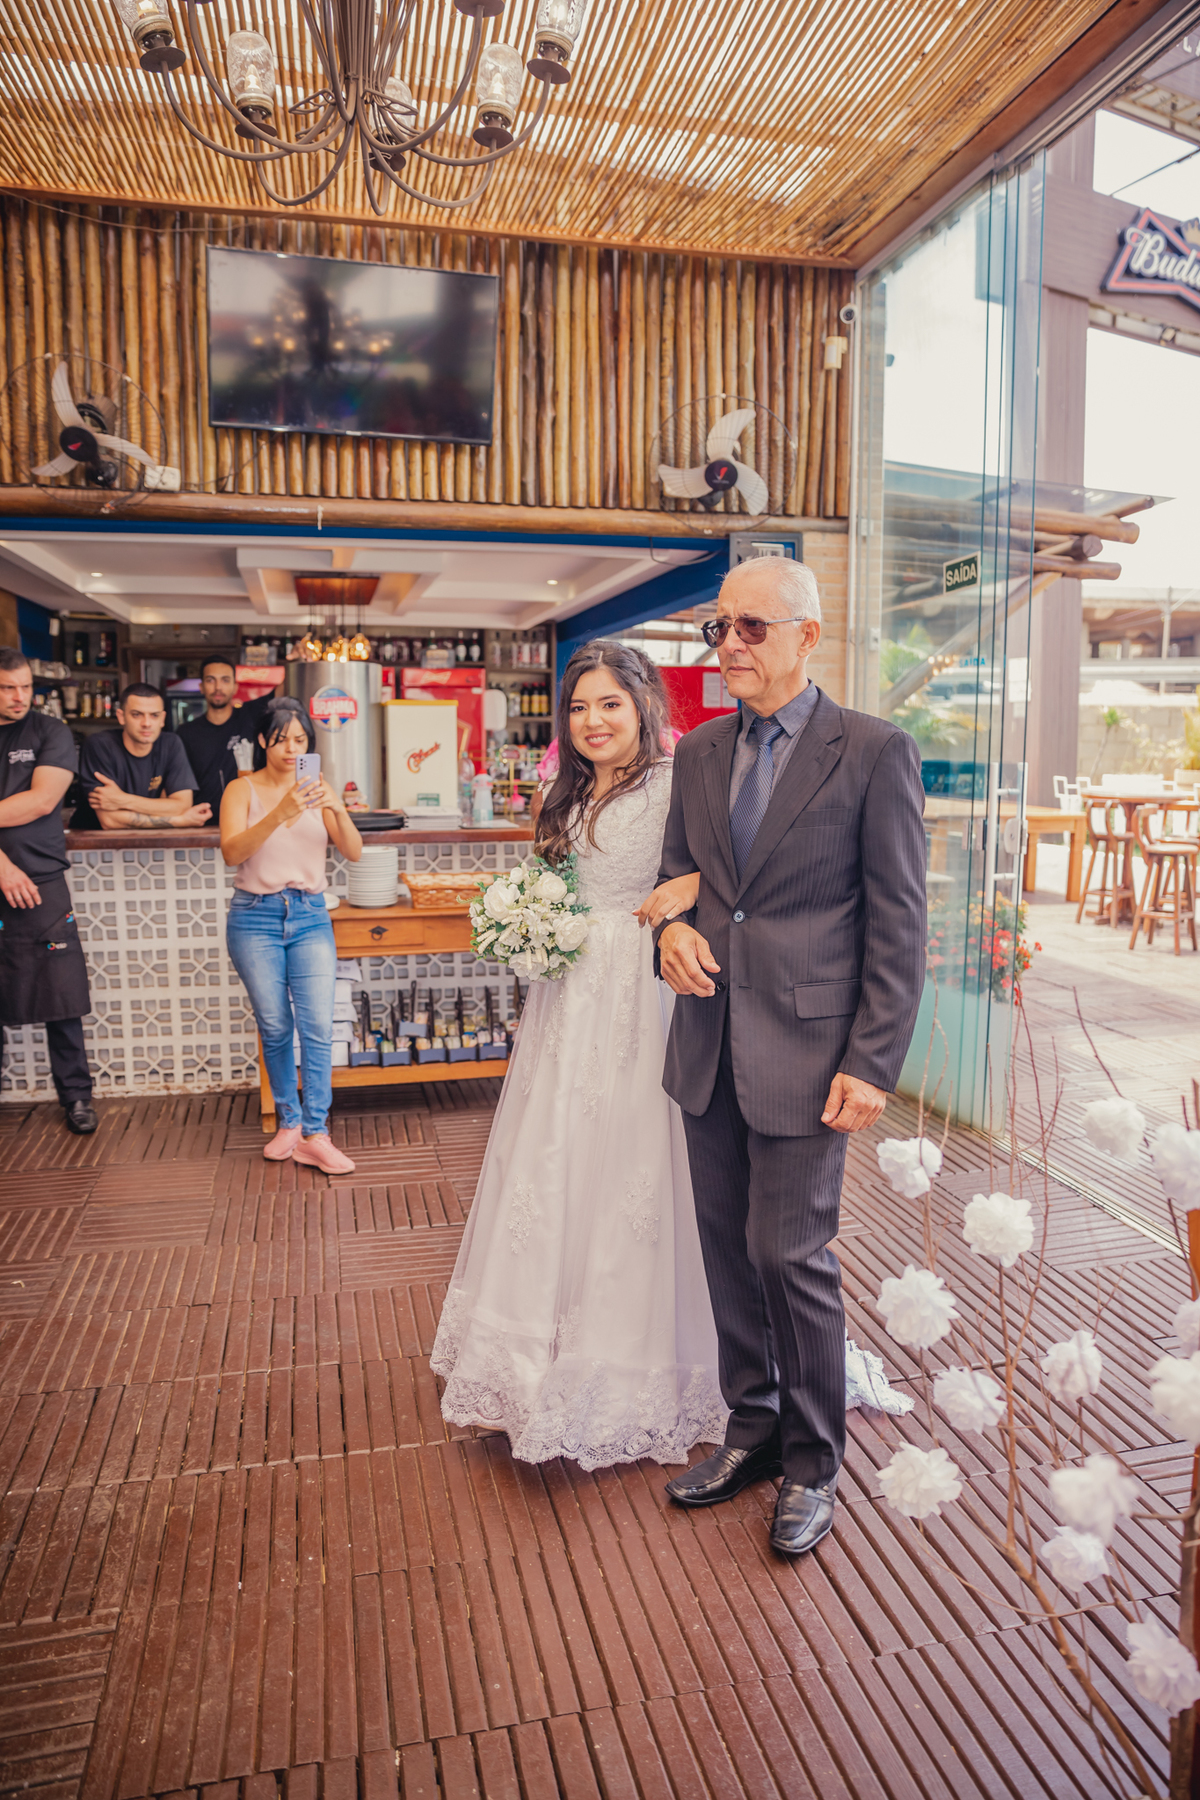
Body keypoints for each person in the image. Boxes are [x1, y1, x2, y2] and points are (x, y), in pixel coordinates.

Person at [655, 556, 927, 1556]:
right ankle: (755, 1428)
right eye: (719, 628)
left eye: (751, 628)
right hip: (708, 1044)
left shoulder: (874, 752)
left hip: (815, 1055)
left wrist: (874, 1061)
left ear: (808, 636)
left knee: (790, 1254)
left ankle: (814, 1461)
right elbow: (678, 879)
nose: (728, 646)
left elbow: (899, 925)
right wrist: (668, 936)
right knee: (728, 1250)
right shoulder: (698, 752)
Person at [431, 641, 727, 1468]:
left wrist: (683, 899)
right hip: (570, 998)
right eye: (580, 708)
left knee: (635, 1155)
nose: (593, 722)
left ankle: (630, 1356)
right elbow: (553, 883)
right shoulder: (562, 792)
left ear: (644, 706)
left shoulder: (675, 783)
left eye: (610, 705)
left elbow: (725, 871)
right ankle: (533, 1352)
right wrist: (529, 928)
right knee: (555, 1154)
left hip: (643, 988)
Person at [219, 696, 364, 1176]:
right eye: (281, 740)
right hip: (254, 917)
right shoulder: (241, 789)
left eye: (300, 740)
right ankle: (289, 1122)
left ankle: (315, 1134)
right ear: (263, 740)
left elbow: (353, 851)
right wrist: (280, 812)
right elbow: (232, 852)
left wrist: (336, 808)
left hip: (310, 916)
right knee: (276, 1025)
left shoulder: (318, 789)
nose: (290, 749)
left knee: (317, 1026)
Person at [0, 647, 97, 1134]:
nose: (19, 697)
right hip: (3, 876)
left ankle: (77, 1098)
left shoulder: (50, 731)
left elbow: (41, 801)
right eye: (7, 688)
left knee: (62, 994)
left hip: (41, 883)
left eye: (25, 687)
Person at [72, 685, 211, 832]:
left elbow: (182, 805)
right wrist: (179, 820)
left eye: (154, 715)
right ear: (121, 716)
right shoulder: (100, 745)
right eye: (137, 715)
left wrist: (122, 800)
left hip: (150, 840)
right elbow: (110, 821)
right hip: (93, 841)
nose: (146, 723)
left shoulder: (170, 744)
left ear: (162, 719)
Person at [177, 658, 280, 818]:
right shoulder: (185, 733)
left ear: (235, 687)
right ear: (201, 687)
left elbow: (283, 690)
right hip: (203, 821)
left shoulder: (251, 718)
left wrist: (299, 658)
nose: (218, 687)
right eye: (210, 680)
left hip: (249, 819)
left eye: (225, 680)